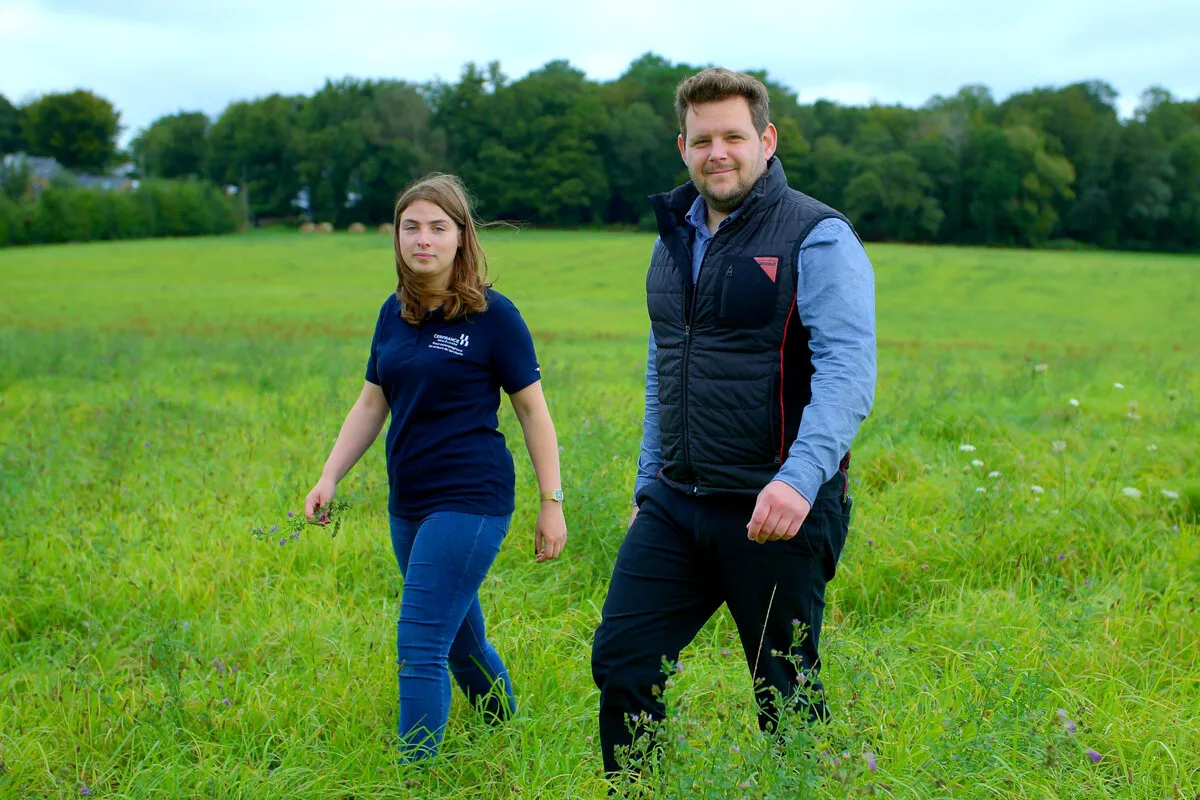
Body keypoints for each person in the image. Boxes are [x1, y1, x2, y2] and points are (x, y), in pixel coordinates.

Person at [590, 68, 876, 777]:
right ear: (682, 147)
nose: (717, 152)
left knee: (786, 694)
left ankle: (799, 790)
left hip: (774, 506)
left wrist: (798, 481)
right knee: (623, 661)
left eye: (733, 137)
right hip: (677, 500)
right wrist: (647, 484)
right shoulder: (674, 237)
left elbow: (847, 372)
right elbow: (665, 369)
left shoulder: (817, 235)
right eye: (702, 140)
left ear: (766, 140)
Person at [304, 173, 567, 761]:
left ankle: (415, 776)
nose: (423, 239)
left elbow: (533, 413)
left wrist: (551, 503)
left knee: (420, 643)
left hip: (471, 499)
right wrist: (329, 476)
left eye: (437, 227)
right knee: (461, 642)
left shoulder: (495, 317)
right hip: (409, 502)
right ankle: (508, 734)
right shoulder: (393, 313)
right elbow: (371, 403)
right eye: (411, 227)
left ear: (461, 236)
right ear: (397, 236)